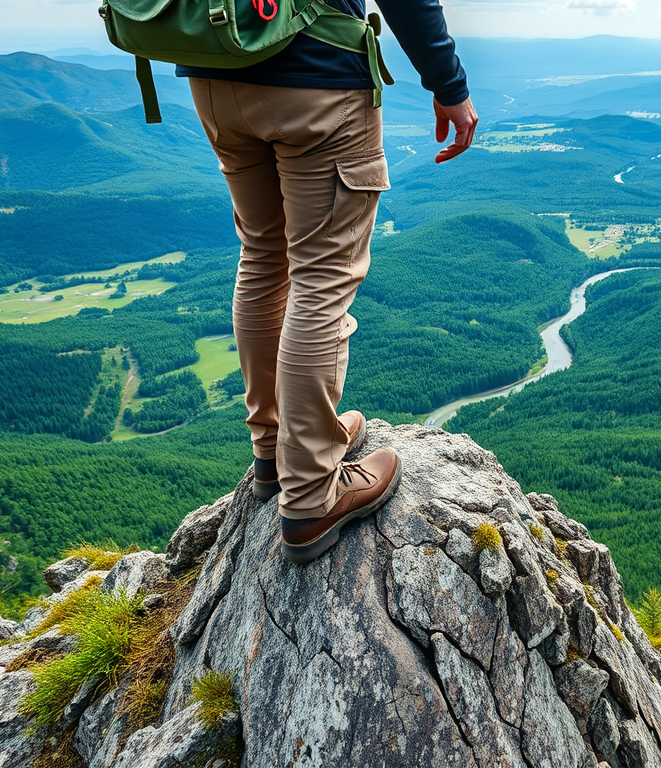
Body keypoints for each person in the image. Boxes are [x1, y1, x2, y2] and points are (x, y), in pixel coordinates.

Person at [176, 0, 478, 564]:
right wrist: (448, 82)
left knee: (264, 256)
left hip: (213, 68)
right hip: (314, 72)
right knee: (322, 277)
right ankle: (313, 489)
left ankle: (273, 450)